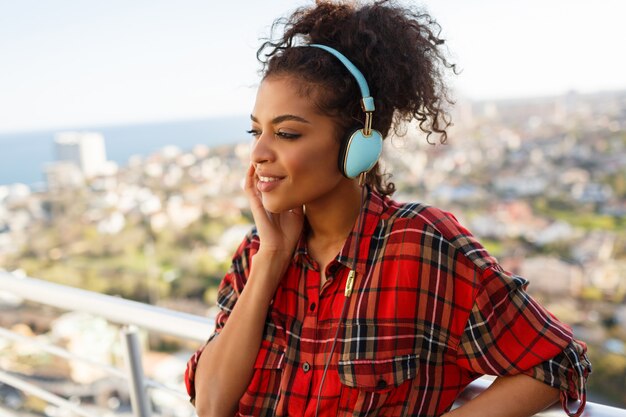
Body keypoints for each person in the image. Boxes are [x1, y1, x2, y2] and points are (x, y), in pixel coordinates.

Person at [184, 1, 591, 416]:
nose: (258, 152)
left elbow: (556, 363)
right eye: (256, 131)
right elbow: (211, 405)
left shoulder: (420, 245)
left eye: (286, 133)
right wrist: (270, 260)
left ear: (358, 142)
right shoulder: (256, 252)